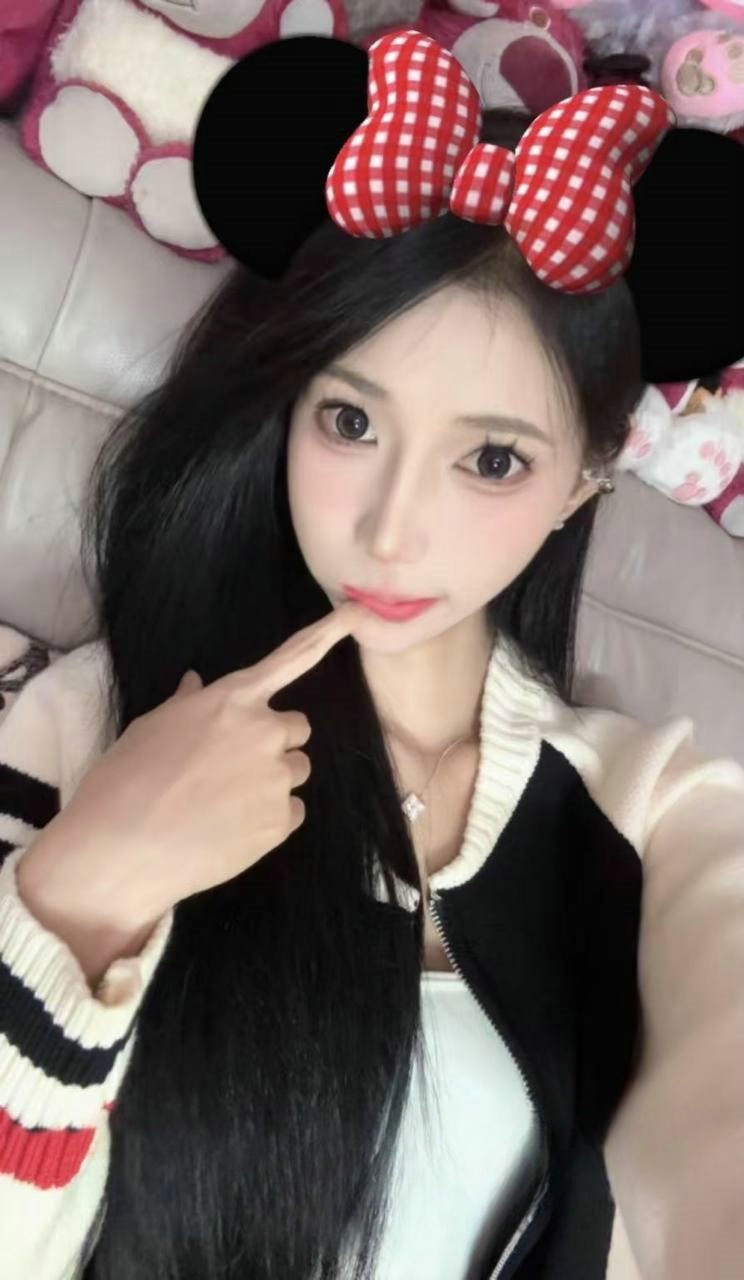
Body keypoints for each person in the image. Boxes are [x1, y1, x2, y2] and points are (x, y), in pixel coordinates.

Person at [1, 32, 744, 1280]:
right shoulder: (95, 723)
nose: (393, 529)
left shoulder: (654, 808)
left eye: (492, 458)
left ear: (583, 483)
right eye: (349, 420)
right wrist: (84, 893)